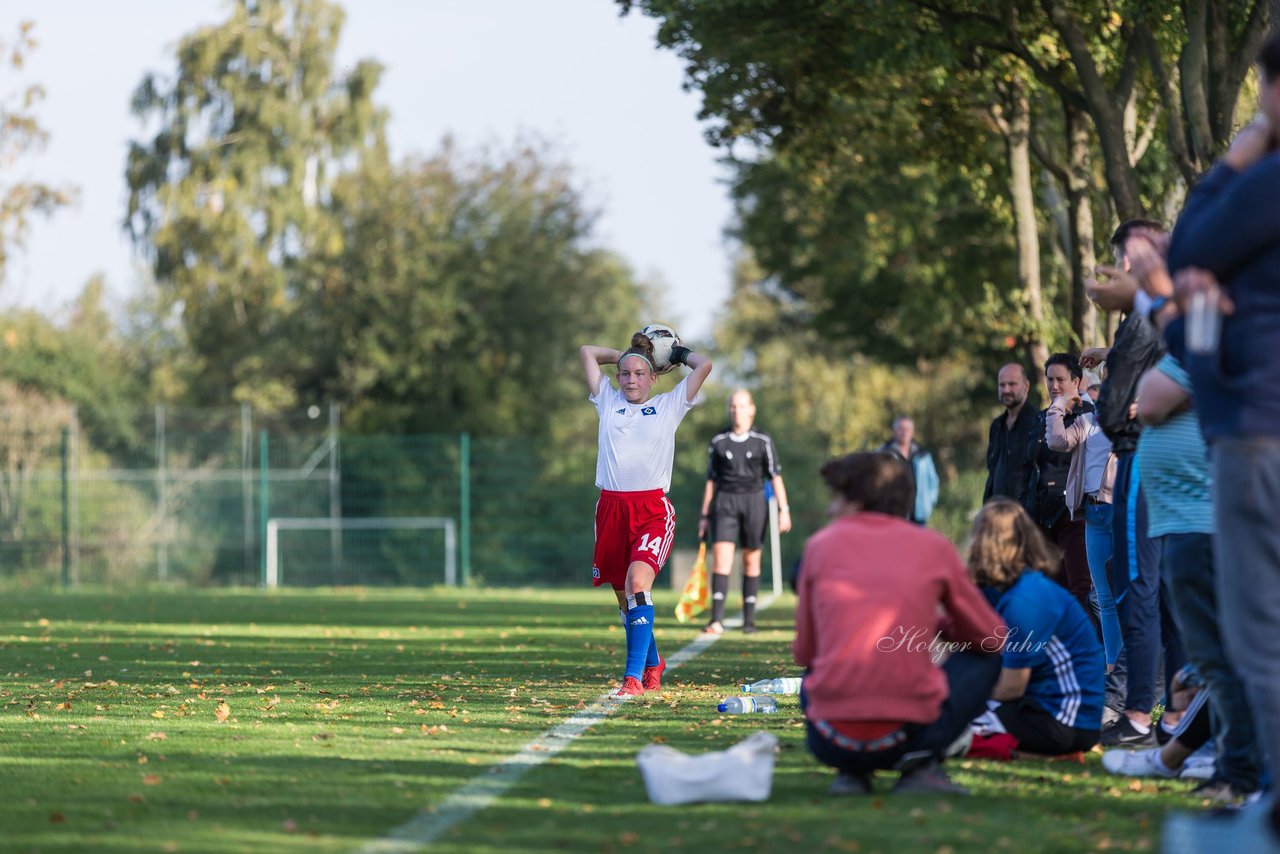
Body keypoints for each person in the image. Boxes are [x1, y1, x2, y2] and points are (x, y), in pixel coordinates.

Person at [1160, 32, 1280, 849]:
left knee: (1260, 634)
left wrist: (1242, 152)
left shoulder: (1268, 179)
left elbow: (1191, 244)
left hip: (1259, 434)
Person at [794, 452, 1005, 796]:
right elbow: (992, 637)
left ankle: (851, 773)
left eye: (837, 498)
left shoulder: (818, 546)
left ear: (859, 500)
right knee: (986, 658)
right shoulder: (933, 546)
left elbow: (805, 653)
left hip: (831, 740)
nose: (831, 510)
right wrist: (940, 627)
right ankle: (922, 766)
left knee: (816, 669)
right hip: (910, 736)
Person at [1083, 220, 1178, 749]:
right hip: (1155, 456)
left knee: (1138, 586)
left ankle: (1139, 712)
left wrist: (1117, 406)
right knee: (1163, 588)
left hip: (1141, 457)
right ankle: (1170, 713)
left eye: (1125, 258)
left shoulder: (1146, 319)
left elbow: (1116, 409)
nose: (1118, 269)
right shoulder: (1162, 318)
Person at [580, 332, 713, 697]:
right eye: (625, 374)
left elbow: (705, 364)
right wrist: (629, 354)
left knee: (638, 584)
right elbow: (588, 352)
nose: (631, 380)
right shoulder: (606, 401)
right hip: (610, 509)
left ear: (653, 376)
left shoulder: (669, 405)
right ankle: (652, 663)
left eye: (640, 373)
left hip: (651, 510)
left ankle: (633, 679)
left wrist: (673, 355)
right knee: (626, 603)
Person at [967, 500, 1104, 756]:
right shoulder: (1010, 588)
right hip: (1045, 708)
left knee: (952, 724)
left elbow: (1012, 687)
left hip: (1064, 721)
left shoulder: (1026, 599)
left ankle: (1038, 751)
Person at [1043, 357, 1120, 666]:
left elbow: (1141, 358)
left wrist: (1104, 351)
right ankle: (1112, 665)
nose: (1106, 387)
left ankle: (1138, 670)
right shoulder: (1089, 422)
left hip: (1119, 509)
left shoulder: (1128, 425)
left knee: (1127, 592)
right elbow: (1057, 440)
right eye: (1103, 381)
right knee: (1103, 597)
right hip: (1091, 514)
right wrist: (1059, 405)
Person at [698, 389, 792, 635]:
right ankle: (716, 619)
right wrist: (704, 515)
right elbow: (711, 480)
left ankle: (749, 620)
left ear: (751, 409)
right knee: (721, 558)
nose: (736, 410)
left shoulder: (763, 440)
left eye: (741, 406)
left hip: (754, 502)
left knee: (751, 560)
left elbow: (775, 476)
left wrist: (784, 509)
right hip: (725, 502)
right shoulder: (719, 441)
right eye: (732, 406)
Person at [1023, 354, 1092, 617]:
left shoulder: (1087, 415)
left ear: (1076, 381)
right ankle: (1057, 654)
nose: (1054, 386)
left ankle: (1085, 653)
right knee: (1050, 591)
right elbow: (1032, 466)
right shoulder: (1041, 418)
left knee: (1080, 589)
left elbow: (1064, 447)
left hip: (1073, 514)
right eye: (1050, 379)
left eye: (1060, 380)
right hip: (1042, 516)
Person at [984, 363, 1036, 505]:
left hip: (1025, 517)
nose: (1006, 389)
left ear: (1026, 386)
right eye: (1002, 385)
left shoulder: (1038, 423)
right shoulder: (996, 426)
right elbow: (992, 473)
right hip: (996, 514)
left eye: (1012, 384)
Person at [878, 417, 940, 525]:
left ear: (912, 432)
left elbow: (933, 481)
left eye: (907, 429)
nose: (904, 432)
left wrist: (929, 502)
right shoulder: (883, 454)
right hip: (893, 514)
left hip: (919, 515)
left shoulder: (923, 455)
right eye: (901, 429)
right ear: (894, 431)